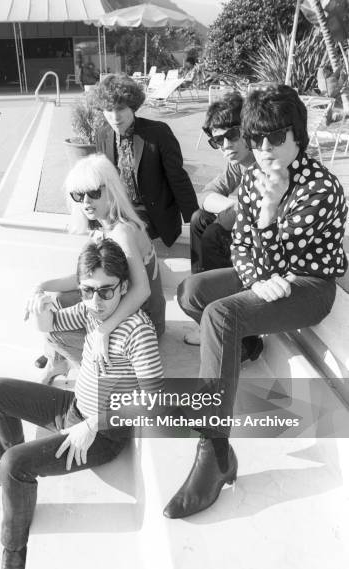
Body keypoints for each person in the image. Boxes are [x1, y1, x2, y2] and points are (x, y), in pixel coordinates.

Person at [165, 84, 348, 520]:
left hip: (308, 286)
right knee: (192, 292)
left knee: (221, 313)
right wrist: (257, 280)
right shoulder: (251, 177)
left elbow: (282, 249)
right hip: (269, 279)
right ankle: (245, 347)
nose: (264, 148)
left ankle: (214, 450)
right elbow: (243, 247)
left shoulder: (321, 188)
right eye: (257, 138)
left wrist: (268, 214)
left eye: (276, 137)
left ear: (297, 136)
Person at [0, 238, 163, 569]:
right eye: (88, 290)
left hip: (103, 435)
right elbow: (54, 323)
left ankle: (13, 553)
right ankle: (4, 469)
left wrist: (96, 422)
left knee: (19, 463)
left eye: (107, 291)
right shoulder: (92, 312)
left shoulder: (138, 333)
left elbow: (154, 399)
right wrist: (42, 309)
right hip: (74, 409)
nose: (96, 300)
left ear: (124, 287)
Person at [33, 153, 166, 383]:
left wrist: (103, 330)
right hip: (119, 303)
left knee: (55, 330)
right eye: (79, 195)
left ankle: (94, 372)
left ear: (111, 190)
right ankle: (58, 360)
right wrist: (41, 286)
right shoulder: (102, 230)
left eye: (94, 193)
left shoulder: (123, 231)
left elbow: (142, 290)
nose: (86, 202)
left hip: (143, 322)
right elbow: (81, 280)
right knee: (56, 298)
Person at [93, 73, 198, 247]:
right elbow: (102, 180)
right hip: (120, 213)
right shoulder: (102, 134)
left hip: (153, 215)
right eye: (109, 110)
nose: (115, 117)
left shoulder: (158, 133)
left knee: (127, 244)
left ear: (133, 107)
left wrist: (194, 219)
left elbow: (177, 177)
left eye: (121, 108)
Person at [186, 91, 257, 348]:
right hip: (252, 230)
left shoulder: (264, 158)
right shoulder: (238, 164)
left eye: (232, 134)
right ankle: (204, 305)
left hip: (273, 245)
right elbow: (204, 195)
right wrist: (233, 204)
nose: (226, 145)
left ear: (249, 129)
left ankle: (231, 325)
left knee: (213, 235)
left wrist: (238, 210)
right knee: (199, 219)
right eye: (218, 140)